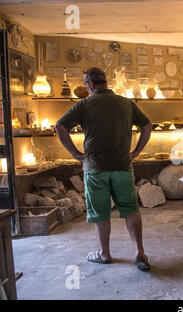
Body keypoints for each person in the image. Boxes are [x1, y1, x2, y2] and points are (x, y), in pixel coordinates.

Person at [55, 67, 153, 271]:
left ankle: (105, 254)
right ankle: (140, 252)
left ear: (90, 85)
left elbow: (60, 127)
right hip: (122, 166)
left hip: (95, 168)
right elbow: (147, 125)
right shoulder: (126, 103)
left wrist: (74, 154)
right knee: (130, 209)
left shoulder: (83, 104)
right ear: (105, 82)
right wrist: (136, 151)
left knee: (101, 212)